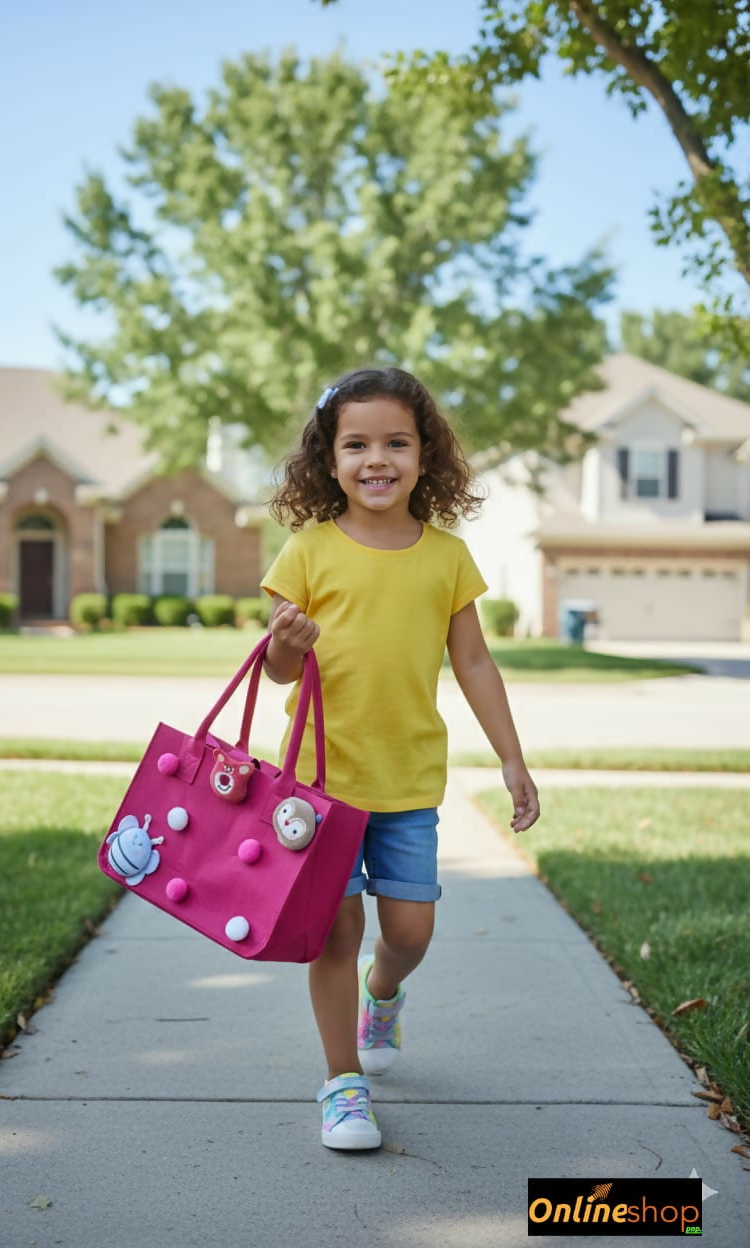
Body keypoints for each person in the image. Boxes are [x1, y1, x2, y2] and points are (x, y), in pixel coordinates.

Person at [261, 366, 540, 1151]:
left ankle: (383, 997)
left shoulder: (447, 557)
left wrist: (512, 760)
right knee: (333, 936)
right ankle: (341, 1084)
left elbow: (476, 664)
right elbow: (278, 670)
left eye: (396, 443)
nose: (375, 459)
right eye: (356, 444)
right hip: (320, 786)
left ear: (426, 456)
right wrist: (285, 646)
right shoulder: (307, 552)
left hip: (409, 783)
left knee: (409, 932)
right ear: (329, 457)